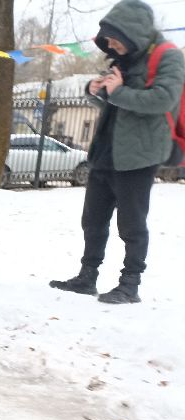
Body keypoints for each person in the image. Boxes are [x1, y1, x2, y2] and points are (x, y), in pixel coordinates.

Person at [49, 0, 184, 305]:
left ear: (131, 32)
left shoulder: (169, 57)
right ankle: (87, 277)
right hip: (105, 151)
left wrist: (118, 92)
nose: (108, 45)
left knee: (131, 223)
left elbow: (163, 99)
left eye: (112, 39)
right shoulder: (122, 58)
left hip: (139, 155)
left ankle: (130, 284)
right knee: (93, 219)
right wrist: (95, 92)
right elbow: (115, 104)